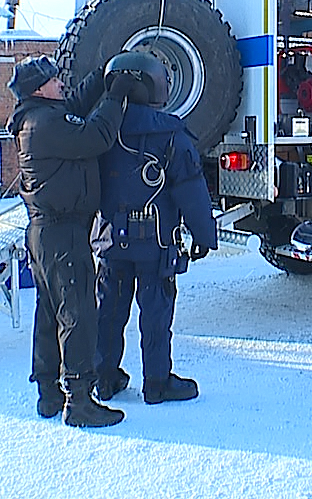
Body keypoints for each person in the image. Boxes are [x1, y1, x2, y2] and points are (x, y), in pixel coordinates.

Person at [6, 55, 132, 428]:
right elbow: (97, 136)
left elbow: (74, 106)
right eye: (54, 80)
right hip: (63, 233)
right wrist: (114, 97)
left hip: (48, 233)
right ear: (38, 89)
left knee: (49, 314)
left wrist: (102, 75)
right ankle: (79, 402)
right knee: (78, 313)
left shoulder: (38, 117)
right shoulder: (45, 122)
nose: (61, 83)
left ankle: (48, 394)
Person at [94, 50, 217, 406]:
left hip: (110, 240)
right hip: (156, 242)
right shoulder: (171, 135)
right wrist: (205, 235)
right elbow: (191, 190)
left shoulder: (99, 131)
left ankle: (104, 377)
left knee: (110, 311)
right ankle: (157, 383)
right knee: (156, 312)